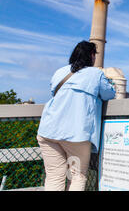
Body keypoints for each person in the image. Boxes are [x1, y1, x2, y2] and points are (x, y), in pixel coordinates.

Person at [37, 41, 116, 191]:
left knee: (54, 177)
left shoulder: (60, 72)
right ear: (91, 55)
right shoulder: (96, 73)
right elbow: (109, 94)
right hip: (76, 134)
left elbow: (54, 93)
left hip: (48, 131)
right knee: (77, 176)